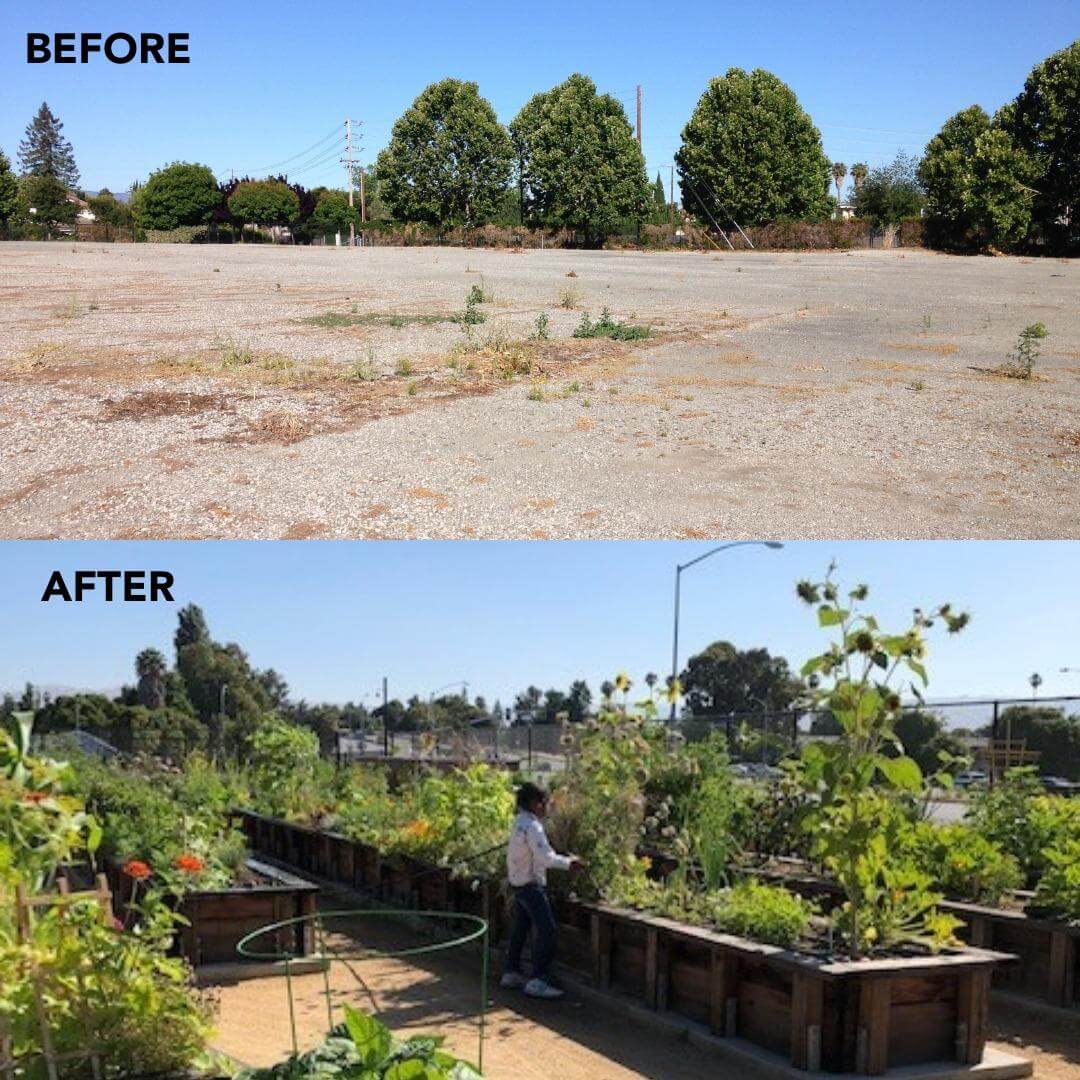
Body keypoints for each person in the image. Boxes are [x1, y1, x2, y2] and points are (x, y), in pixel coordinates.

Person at [500, 781, 581, 1000]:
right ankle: (538, 979)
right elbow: (545, 857)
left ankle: (511, 971)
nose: (547, 808)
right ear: (536, 804)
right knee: (547, 930)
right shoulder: (533, 827)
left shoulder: (519, 822)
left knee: (521, 927)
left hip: (517, 884)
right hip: (530, 886)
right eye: (545, 803)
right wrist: (569, 863)